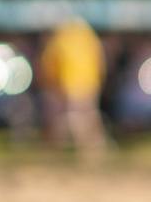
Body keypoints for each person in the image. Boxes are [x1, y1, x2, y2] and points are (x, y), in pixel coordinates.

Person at [37, 13, 108, 161]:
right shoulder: (89, 39)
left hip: (68, 85)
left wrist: (51, 85)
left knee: (72, 118)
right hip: (87, 84)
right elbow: (100, 62)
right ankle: (92, 150)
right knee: (84, 116)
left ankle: (85, 150)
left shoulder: (60, 39)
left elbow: (49, 64)